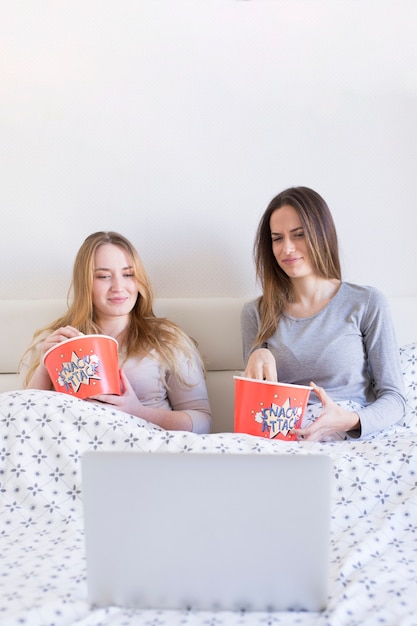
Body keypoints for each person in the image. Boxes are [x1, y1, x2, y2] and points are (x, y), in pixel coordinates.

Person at [241, 186, 405, 441]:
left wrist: (349, 421)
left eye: (299, 235)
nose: (287, 249)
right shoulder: (255, 314)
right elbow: (257, 409)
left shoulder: (367, 303)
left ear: (321, 234)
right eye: (277, 238)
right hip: (288, 441)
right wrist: (258, 353)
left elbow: (395, 400)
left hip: (353, 438)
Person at [22, 231, 212, 434]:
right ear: (85, 283)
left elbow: (203, 424)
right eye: (103, 276)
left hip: (147, 453)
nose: (119, 287)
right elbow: (22, 423)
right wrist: (45, 367)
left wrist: (138, 412)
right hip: (76, 456)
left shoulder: (166, 339)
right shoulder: (54, 341)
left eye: (128, 274)